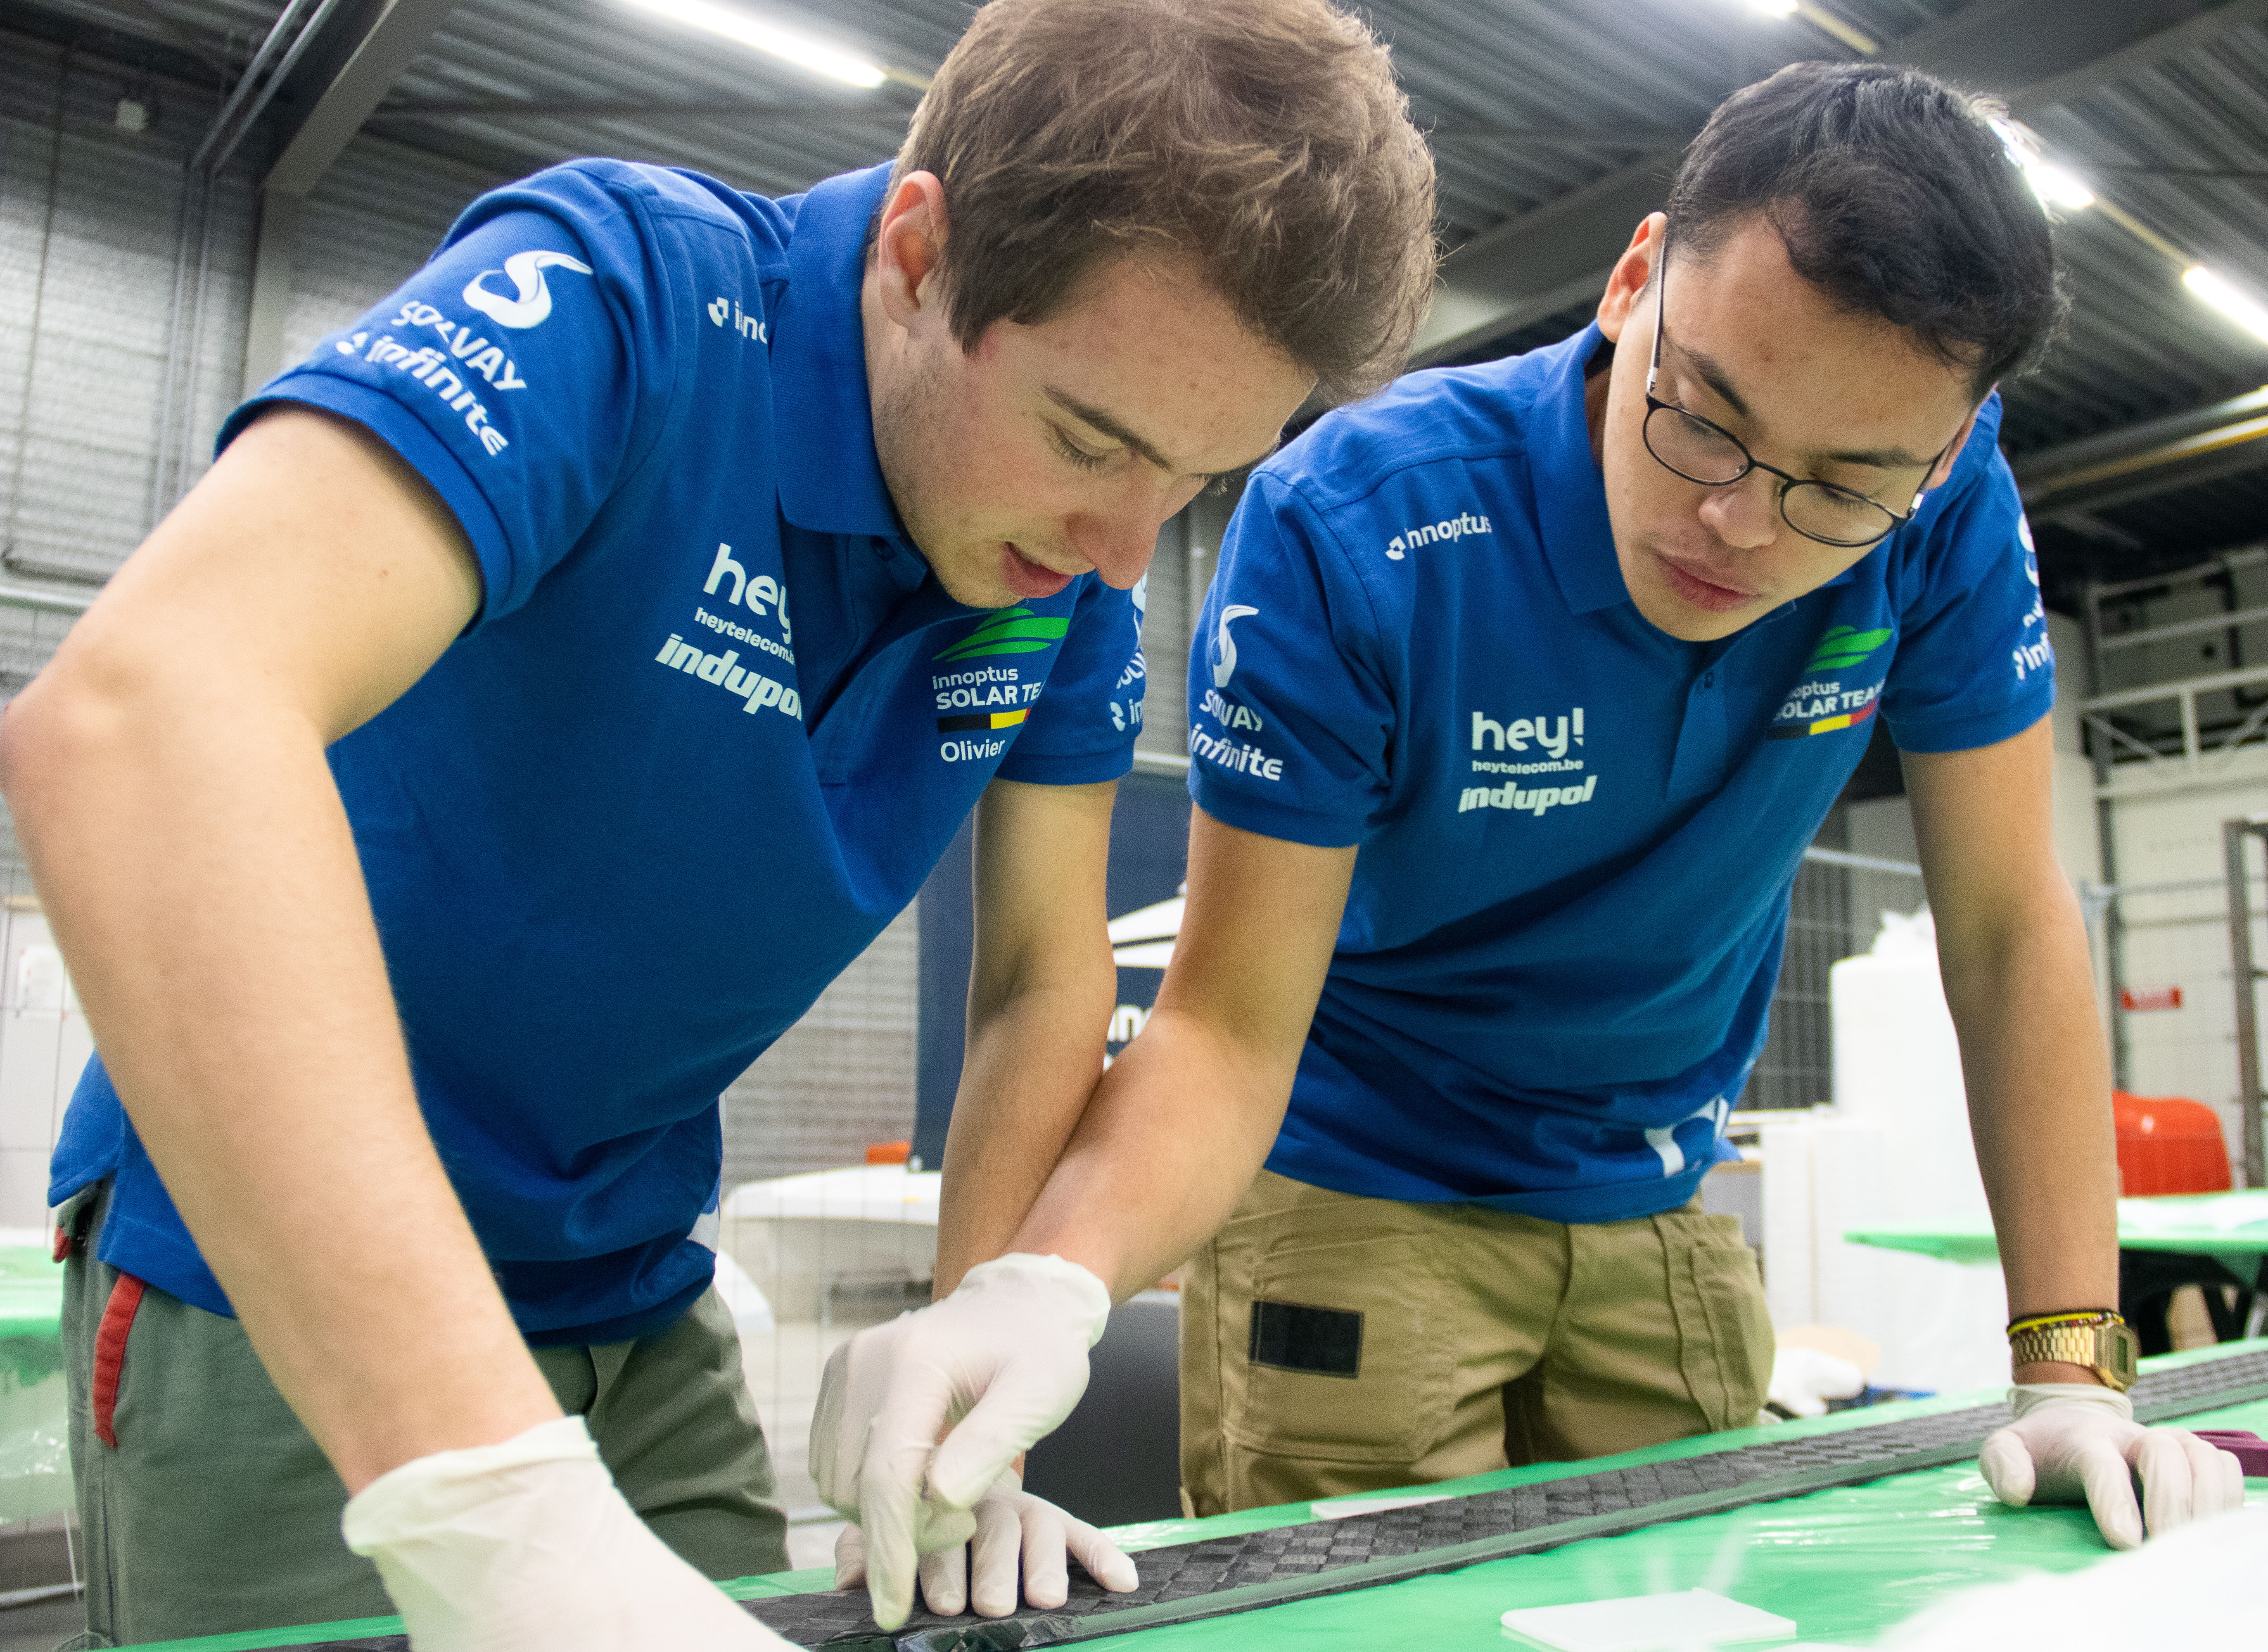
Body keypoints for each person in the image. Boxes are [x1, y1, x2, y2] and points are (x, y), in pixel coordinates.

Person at [0, 0, 1435, 1643]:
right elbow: (143, 715)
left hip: (633, 1286)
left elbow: (1044, 980)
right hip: (264, 1281)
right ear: (918, 255)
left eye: (1196, 477)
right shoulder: (625, 302)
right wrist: (485, 1496)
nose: (1124, 547)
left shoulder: (1064, 585)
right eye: (1090, 437)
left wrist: (981, 1353)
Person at [818, 61, 2244, 1621]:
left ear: (1953, 442)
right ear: (1634, 281)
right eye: (1706, 420)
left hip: (1650, 1188)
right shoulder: (1356, 527)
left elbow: (2007, 928)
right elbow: (1225, 1022)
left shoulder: (1949, 513)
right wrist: (1046, 1283)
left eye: (1845, 489)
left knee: (1722, 1611)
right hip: (1360, 1177)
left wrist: (2075, 1367)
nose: (1744, 525)